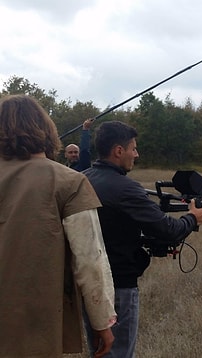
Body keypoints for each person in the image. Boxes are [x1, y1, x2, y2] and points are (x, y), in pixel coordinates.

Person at [0, 95, 116, 357]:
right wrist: (102, 321)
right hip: (32, 325)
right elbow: (90, 261)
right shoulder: (69, 181)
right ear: (46, 129)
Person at [82, 120, 202, 357]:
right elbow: (168, 230)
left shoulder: (83, 178)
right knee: (117, 352)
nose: (136, 154)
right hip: (118, 286)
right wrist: (192, 218)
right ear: (119, 151)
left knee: (99, 351)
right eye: (133, 148)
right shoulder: (125, 188)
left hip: (88, 284)